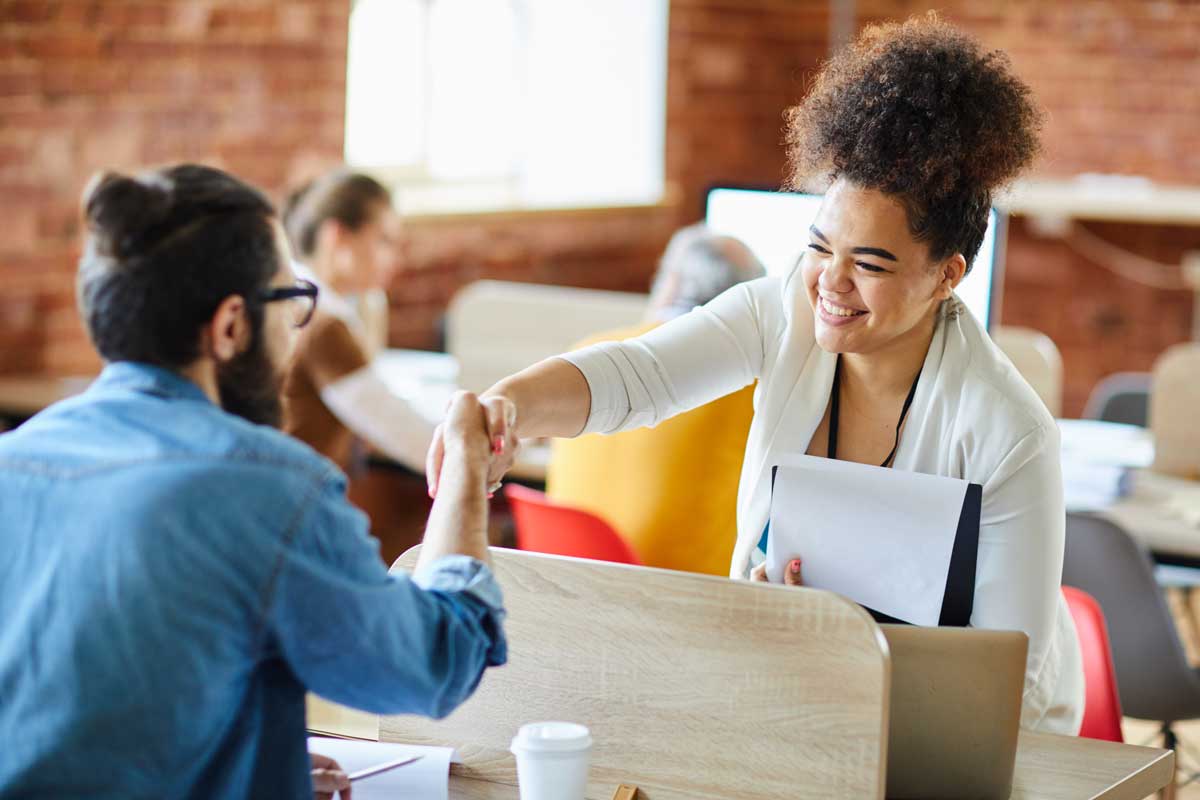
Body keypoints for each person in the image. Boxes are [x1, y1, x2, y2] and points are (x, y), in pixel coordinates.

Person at [431, 14, 1083, 733]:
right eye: (818, 246)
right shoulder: (784, 313)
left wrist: (837, 640)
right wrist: (508, 404)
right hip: (800, 700)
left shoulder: (1007, 431)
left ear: (947, 275)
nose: (829, 283)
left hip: (964, 736)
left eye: (869, 264)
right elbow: (638, 375)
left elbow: (1007, 683)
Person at [0, 164, 516, 799]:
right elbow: (432, 665)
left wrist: (238, 759)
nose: (295, 332)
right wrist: (467, 468)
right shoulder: (269, 491)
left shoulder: (12, 462)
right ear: (231, 327)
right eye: (289, 301)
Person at [546, 225, 765, 574]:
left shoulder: (585, 352)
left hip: (565, 580)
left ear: (671, 283)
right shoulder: (752, 382)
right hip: (681, 596)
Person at [281, 170, 433, 474]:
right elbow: (408, 436)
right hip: (299, 500)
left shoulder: (292, 297)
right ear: (337, 236)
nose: (394, 259)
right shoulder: (323, 325)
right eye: (383, 241)